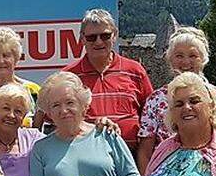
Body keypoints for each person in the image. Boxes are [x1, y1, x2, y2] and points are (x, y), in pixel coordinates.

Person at [135, 27, 216, 172]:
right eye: (179, 56)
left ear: (203, 59)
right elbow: (145, 151)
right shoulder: (156, 100)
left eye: (192, 55)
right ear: (170, 59)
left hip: (215, 173)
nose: (186, 62)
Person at [61, 8, 154, 153]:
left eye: (105, 36)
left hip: (133, 157)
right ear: (82, 38)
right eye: (92, 37)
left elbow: (151, 115)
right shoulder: (68, 76)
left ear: (115, 35)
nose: (98, 42)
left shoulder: (135, 71)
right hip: (86, 158)